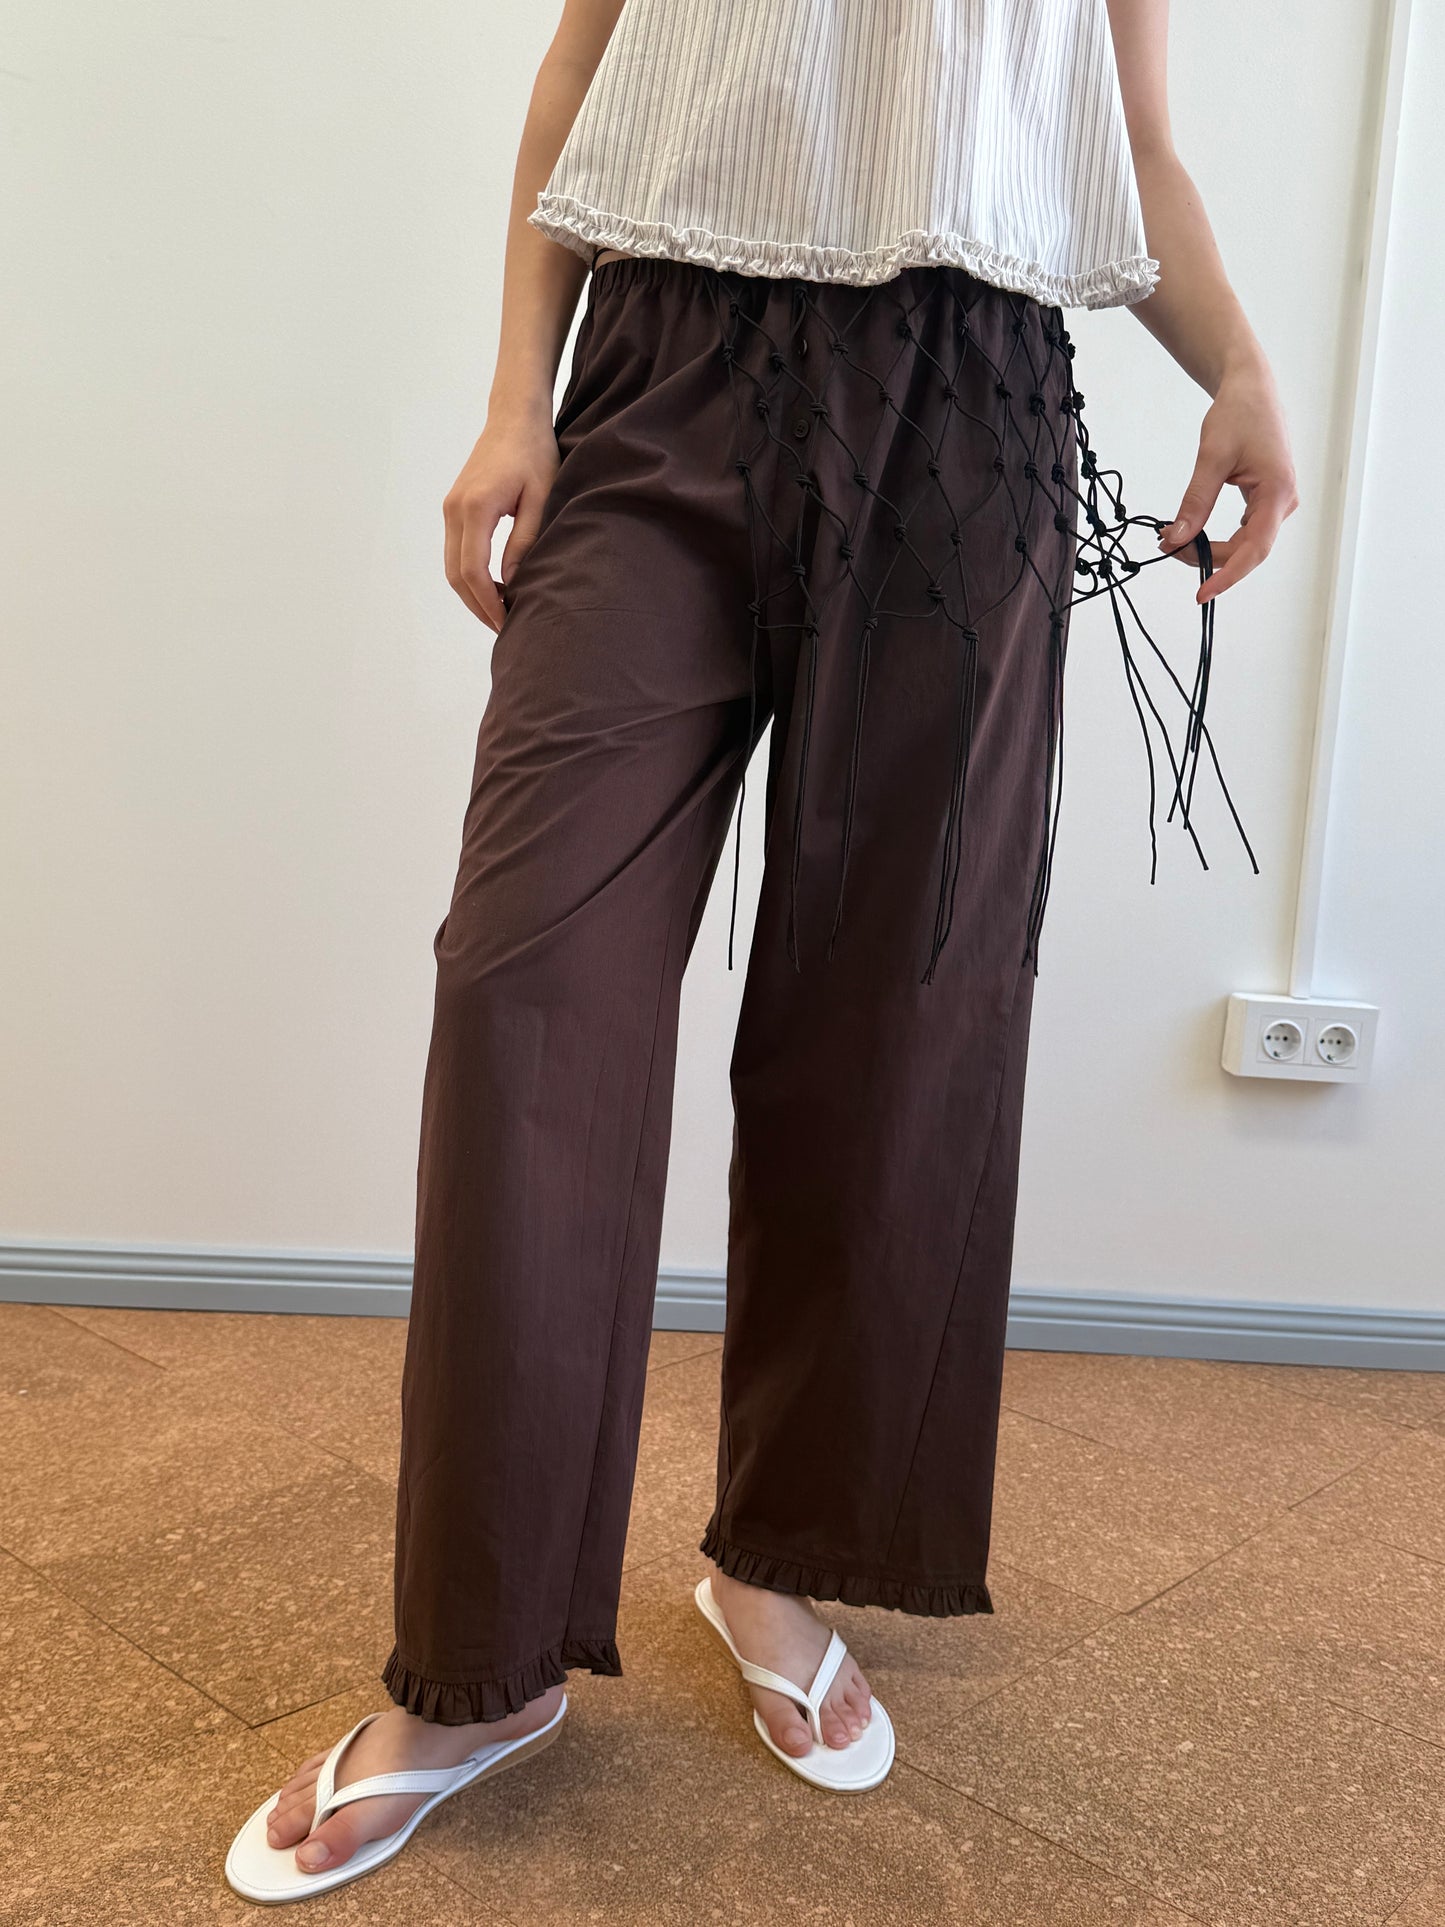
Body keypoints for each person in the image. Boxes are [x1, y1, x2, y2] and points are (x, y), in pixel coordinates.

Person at [226, 0, 1297, 1902]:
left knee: (897, 1009)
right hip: (659, 372)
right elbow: (582, 68)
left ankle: (779, 1556)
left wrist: (1239, 372)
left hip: (967, 406)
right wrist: (509, 397)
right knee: (525, 989)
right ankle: (477, 1670)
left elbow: (1127, 133)